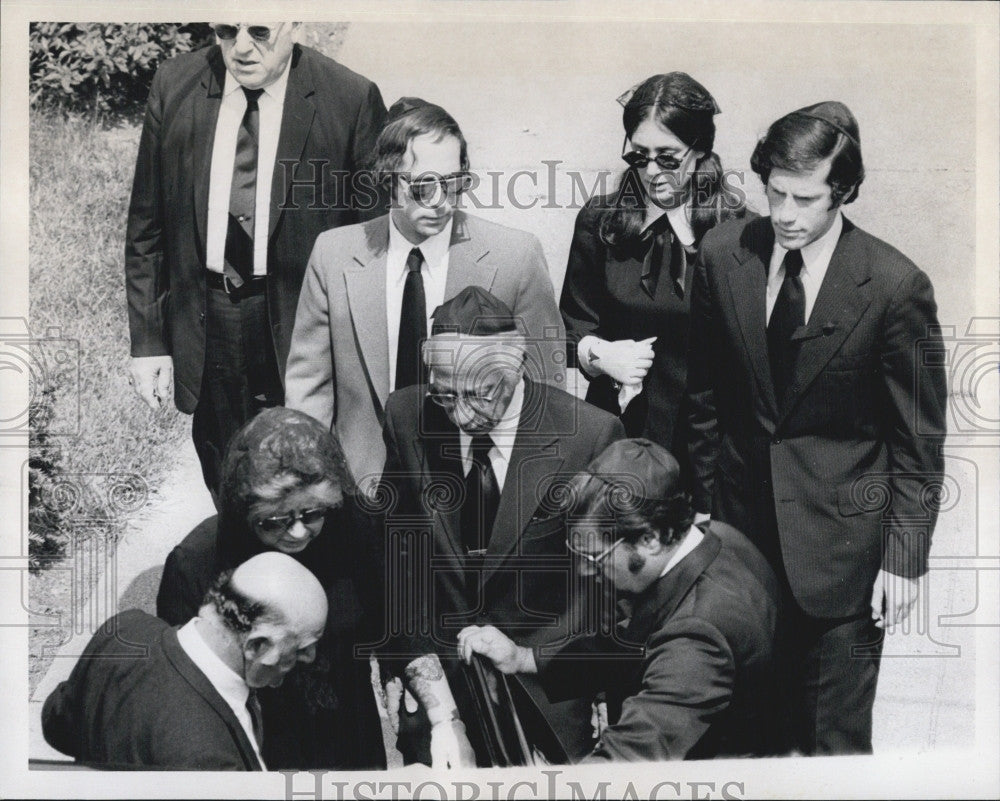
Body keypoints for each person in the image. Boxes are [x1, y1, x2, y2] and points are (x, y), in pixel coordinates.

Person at [685, 101, 948, 754]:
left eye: (805, 198)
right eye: (775, 192)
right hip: (739, 549)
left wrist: (904, 560)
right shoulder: (723, 256)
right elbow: (704, 400)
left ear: (845, 192)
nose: (784, 214)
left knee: (833, 751)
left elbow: (918, 442)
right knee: (741, 739)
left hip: (844, 562)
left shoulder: (894, 286)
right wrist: (698, 514)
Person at [125, 22, 387, 495]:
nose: (241, 47)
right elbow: (147, 223)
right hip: (211, 318)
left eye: (261, 31)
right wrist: (148, 342)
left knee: (306, 472)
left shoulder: (349, 98)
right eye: (227, 30)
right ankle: (238, 562)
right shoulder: (175, 83)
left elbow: (374, 244)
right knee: (226, 467)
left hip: (305, 322)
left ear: (297, 23)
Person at [377, 286, 625, 768]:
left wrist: (583, 678)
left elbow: (602, 591)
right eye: (446, 395)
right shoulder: (408, 416)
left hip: (547, 694)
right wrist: (417, 681)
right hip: (441, 690)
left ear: (517, 364)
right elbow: (395, 565)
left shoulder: (589, 434)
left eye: (480, 393)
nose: (462, 414)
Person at [285, 98, 566, 494]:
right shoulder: (333, 255)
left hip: (474, 488)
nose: (440, 201)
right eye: (422, 186)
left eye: (454, 184)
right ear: (387, 179)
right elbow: (308, 389)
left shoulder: (515, 257)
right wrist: (313, 479)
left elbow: (544, 389)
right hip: (362, 487)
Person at [458, 438, 780, 761]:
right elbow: (632, 643)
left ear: (650, 539)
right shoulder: (718, 539)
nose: (585, 570)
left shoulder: (698, 636)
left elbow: (628, 757)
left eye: (595, 557)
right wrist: (521, 657)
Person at [156, 406, 385, 769]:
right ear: (242, 510)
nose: (298, 532)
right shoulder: (195, 563)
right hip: (256, 742)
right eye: (275, 520)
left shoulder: (354, 532)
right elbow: (185, 684)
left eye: (313, 514)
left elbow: (398, 620)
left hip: (349, 734)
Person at [559, 72, 742, 500]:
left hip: (707, 448)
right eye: (639, 158)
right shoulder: (600, 221)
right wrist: (601, 354)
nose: (653, 172)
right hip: (617, 436)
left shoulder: (737, 232)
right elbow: (571, 325)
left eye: (669, 157)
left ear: (701, 152)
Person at [42, 553, 327, 770]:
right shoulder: (209, 761)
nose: (310, 657)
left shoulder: (125, 630)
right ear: (256, 645)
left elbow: (56, 726)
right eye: (304, 647)